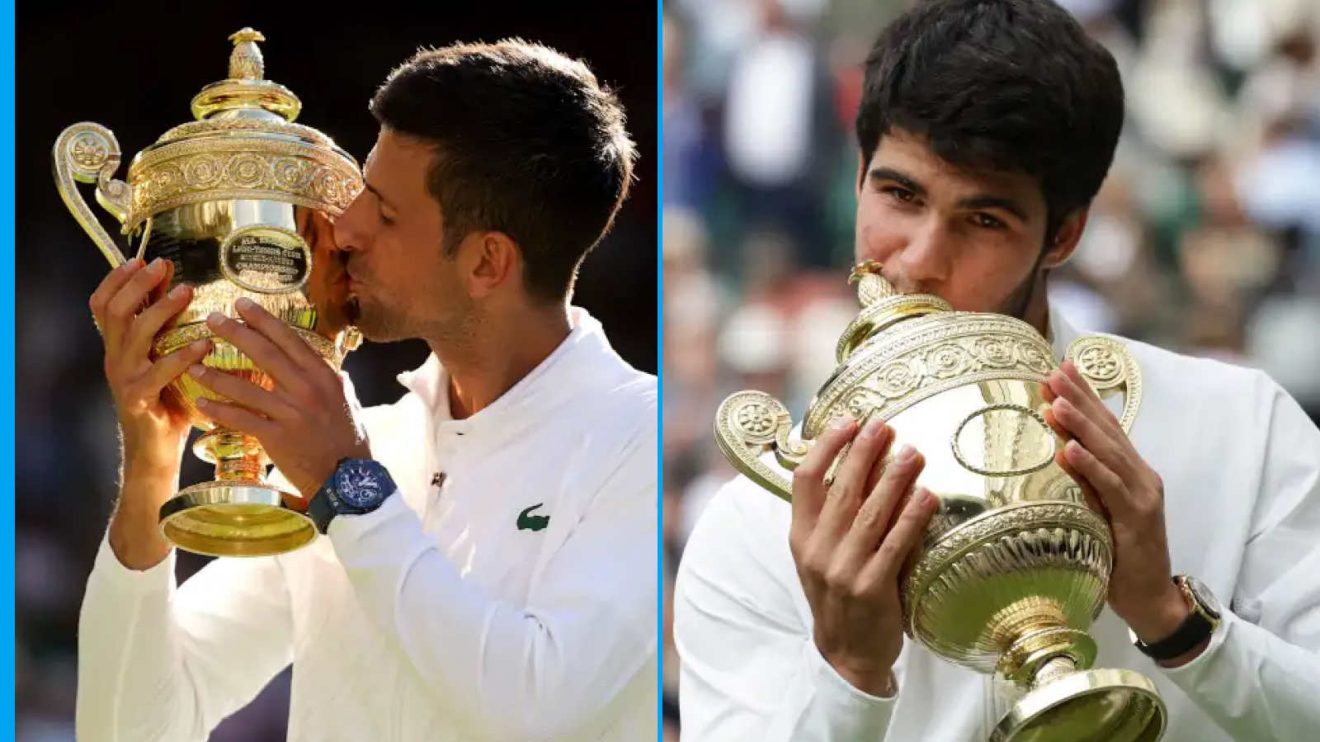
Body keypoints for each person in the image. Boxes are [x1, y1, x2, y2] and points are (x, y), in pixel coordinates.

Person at [674, 1, 1320, 740]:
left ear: (1063, 236)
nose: (920, 260)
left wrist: (1174, 622)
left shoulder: (1238, 428)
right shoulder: (756, 521)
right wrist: (849, 672)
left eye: (984, 220)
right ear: (857, 179)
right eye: (900, 195)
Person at [77, 39, 657, 741]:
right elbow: (130, 729)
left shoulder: (641, 441)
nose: (344, 230)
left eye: (383, 213)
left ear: (486, 263)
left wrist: (349, 489)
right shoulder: (366, 447)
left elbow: (536, 710)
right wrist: (150, 465)